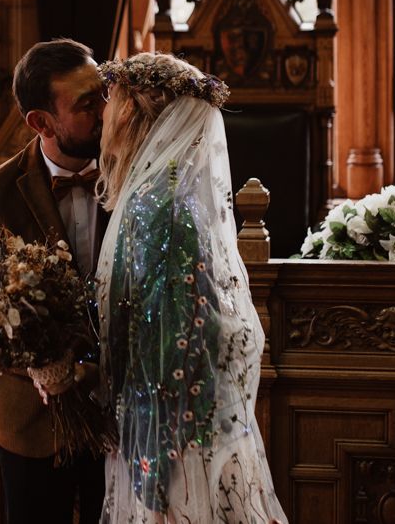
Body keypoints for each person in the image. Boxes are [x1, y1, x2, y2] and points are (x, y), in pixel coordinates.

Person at [95, 52, 287, 523]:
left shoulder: (157, 209)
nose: (104, 114)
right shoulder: (173, 198)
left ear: (134, 117)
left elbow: (174, 337)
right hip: (180, 424)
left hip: (171, 434)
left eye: (112, 102)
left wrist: (154, 459)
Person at [0, 38, 106, 524]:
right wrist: (43, 370)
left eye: (103, 93)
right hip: (33, 425)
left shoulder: (140, 178)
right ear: (41, 122)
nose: (105, 110)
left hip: (125, 415)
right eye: (86, 105)